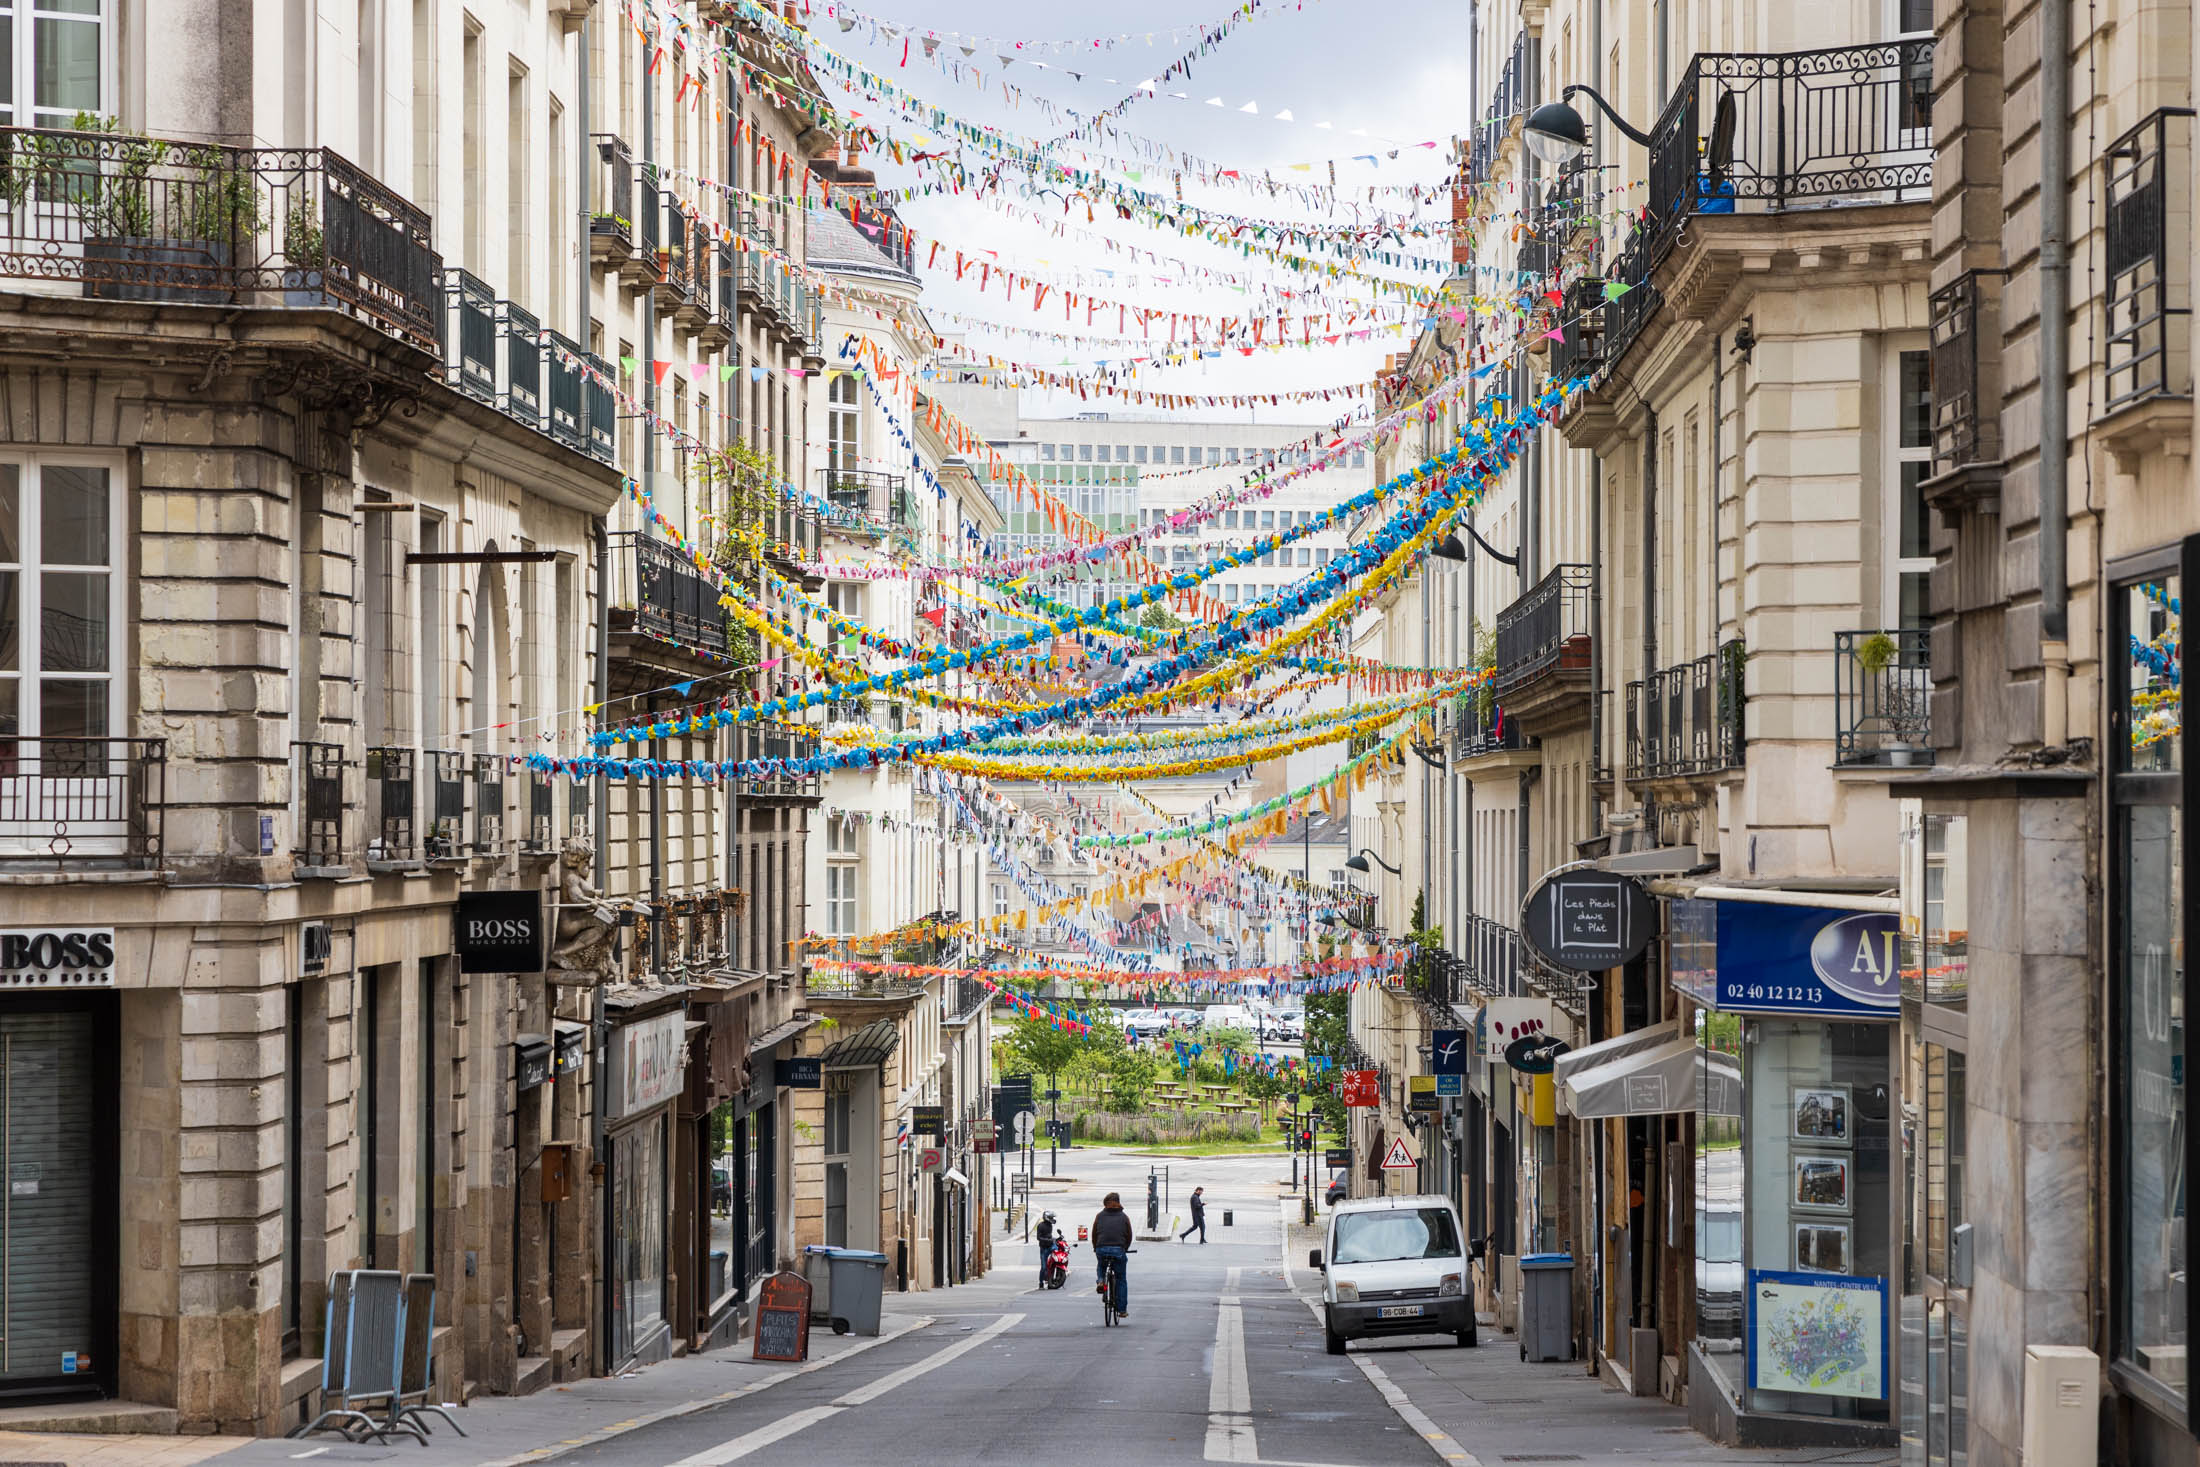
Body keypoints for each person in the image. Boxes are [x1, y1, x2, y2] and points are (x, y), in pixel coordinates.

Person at [1091, 1191, 1134, 1318]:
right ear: (1119, 1203)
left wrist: (1096, 1247)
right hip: (1118, 1250)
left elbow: (1094, 1234)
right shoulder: (1124, 1217)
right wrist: (1125, 1248)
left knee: (1101, 1265)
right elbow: (1129, 1235)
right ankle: (1122, 1310)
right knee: (1121, 1279)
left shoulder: (1099, 1216)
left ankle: (1100, 1281)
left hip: (1101, 1248)